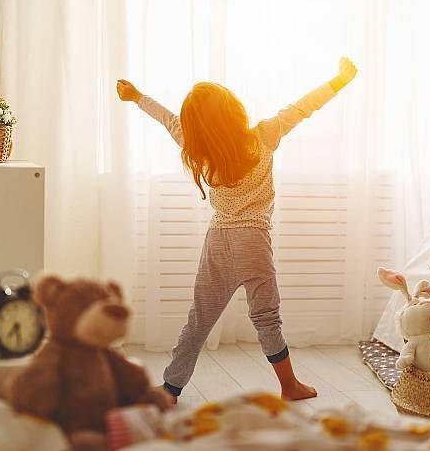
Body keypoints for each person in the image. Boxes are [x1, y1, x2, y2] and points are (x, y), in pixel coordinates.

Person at [116, 57, 357, 401]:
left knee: (199, 319)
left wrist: (137, 96)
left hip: (218, 239)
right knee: (266, 318)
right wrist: (340, 80)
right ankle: (289, 385)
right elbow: (303, 107)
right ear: (233, 109)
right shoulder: (263, 135)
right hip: (254, 241)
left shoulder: (198, 148)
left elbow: (168, 120)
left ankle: (171, 389)